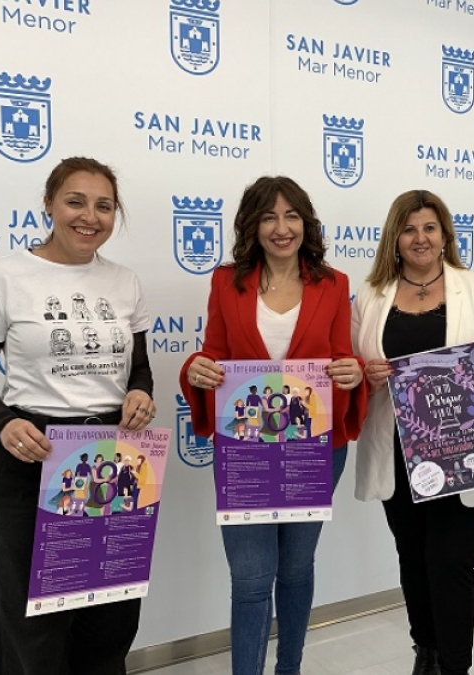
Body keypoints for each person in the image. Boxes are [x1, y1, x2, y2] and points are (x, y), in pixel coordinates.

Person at [0, 156, 156, 675]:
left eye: (104, 206)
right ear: (48, 204)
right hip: (34, 452)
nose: (90, 216)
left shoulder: (125, 281)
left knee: (110, 614)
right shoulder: (3, 276)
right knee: (32, 619)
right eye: (75, 202)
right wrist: (3, 421)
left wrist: (139, 393)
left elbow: (140, 369)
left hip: (114, 452)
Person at [179, 176, 368, 675]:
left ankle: (289, 668)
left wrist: (351, 372)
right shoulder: (226, 281)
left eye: (291, 216)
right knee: (249, 579)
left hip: (314, 447)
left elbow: (342, 357)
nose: (282, 228)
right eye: (268, 217)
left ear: (306, 223)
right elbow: (213, 354)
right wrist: (197, 369)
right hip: (246, 447)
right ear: (252, 225)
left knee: (297, 569)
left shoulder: (334, 283)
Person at [352, 189, 474, 675]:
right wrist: (367, 374)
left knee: (451, 564)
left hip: (463, 449)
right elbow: (353, 366)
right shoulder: (369, 295)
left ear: (445, 234)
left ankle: (455, 666)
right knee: (412, 559)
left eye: (430, 227)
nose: (420, 238)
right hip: (398, 449)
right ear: (394, 238)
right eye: (409, 229)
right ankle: (425, 653)